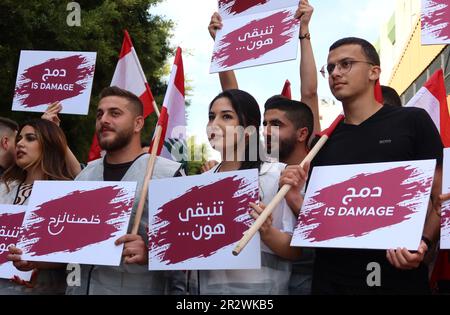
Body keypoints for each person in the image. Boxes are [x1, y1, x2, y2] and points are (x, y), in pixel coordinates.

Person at [305, 37, 443, 294]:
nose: (335, 73)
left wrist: (423, 243)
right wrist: (293, 189)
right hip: (331, 279)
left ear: (374, 71)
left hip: (397, 277)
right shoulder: (321, 142)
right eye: (330, 68)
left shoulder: (412, 121)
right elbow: (323, 214)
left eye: (346, 64)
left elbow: (440, 194)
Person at [207, 0, 318, 295]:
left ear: (303, 134)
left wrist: (303, 33)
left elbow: (309, 93)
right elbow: (233, 97)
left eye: (276, 125)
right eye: (264, 124)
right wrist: (223, 45)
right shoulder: (207, 180)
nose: (267, 131)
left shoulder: (281, 174)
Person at [65, 86, 183, 294]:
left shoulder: (168, 174)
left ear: (138, 123)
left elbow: (187, 251)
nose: (104, 120)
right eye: (99, 114)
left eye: (115, 113)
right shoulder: (83, 177)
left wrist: (151, 253)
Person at [190, 89, 302, 295]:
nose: (215, 124)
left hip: (264, 292)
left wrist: (267, 232)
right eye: (211, 117)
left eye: (226, 116)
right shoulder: (201, 184)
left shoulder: (278, 175)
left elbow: (295, 250)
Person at [1, 119, 75, 294]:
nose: (19, 143)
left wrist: (37, 262)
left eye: (30, 138)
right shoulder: (3, 188)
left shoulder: (68, 193)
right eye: (19, 138)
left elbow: (75, 254)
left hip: (46, 287)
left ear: (49, 145)